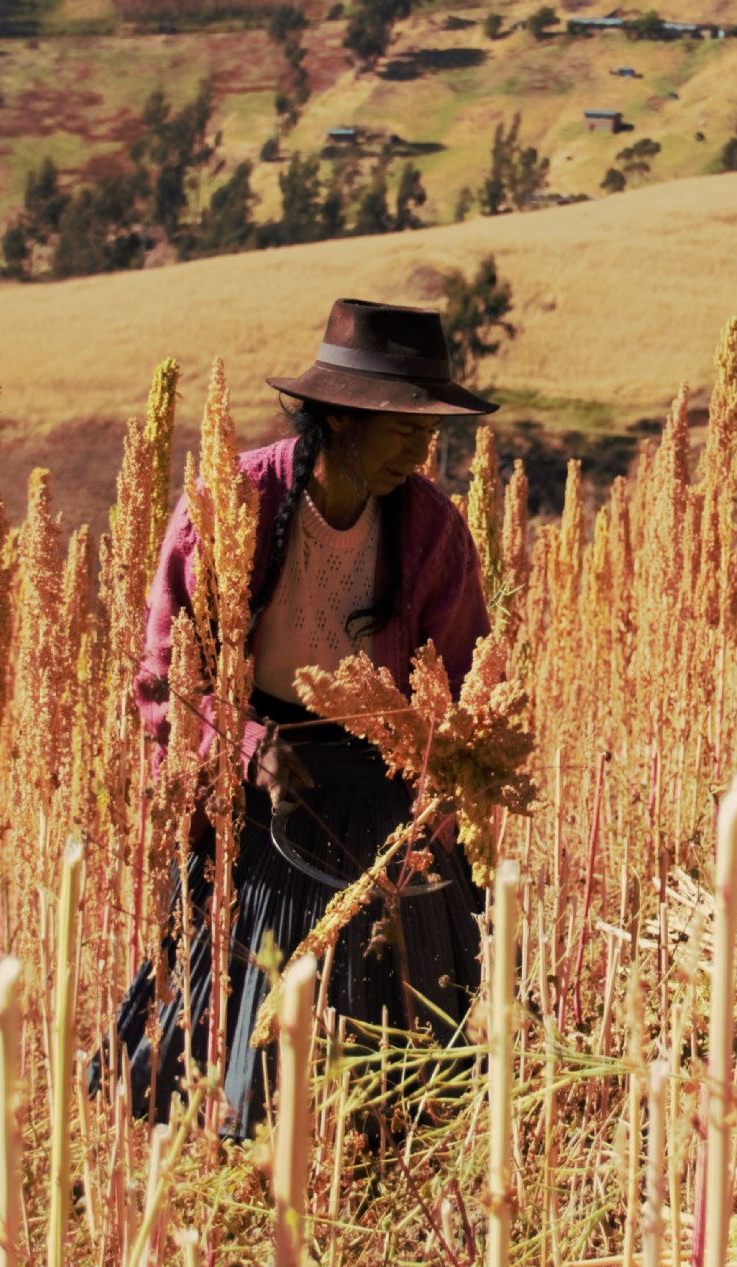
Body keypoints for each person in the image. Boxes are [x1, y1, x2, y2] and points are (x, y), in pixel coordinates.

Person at [88, 298, 499, 1141]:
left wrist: (448, 805)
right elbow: (166, 678)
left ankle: (378, 1171)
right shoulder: (232, 504)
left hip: (382, 794)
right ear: (341, 418)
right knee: (246, 1027)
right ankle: (242, 1171)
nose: (421, 451)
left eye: (428, 431)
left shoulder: (430, 531)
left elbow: (456, 686)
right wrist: (242, 745)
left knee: (399, 1039)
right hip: (266, 792)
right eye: (403, 428)